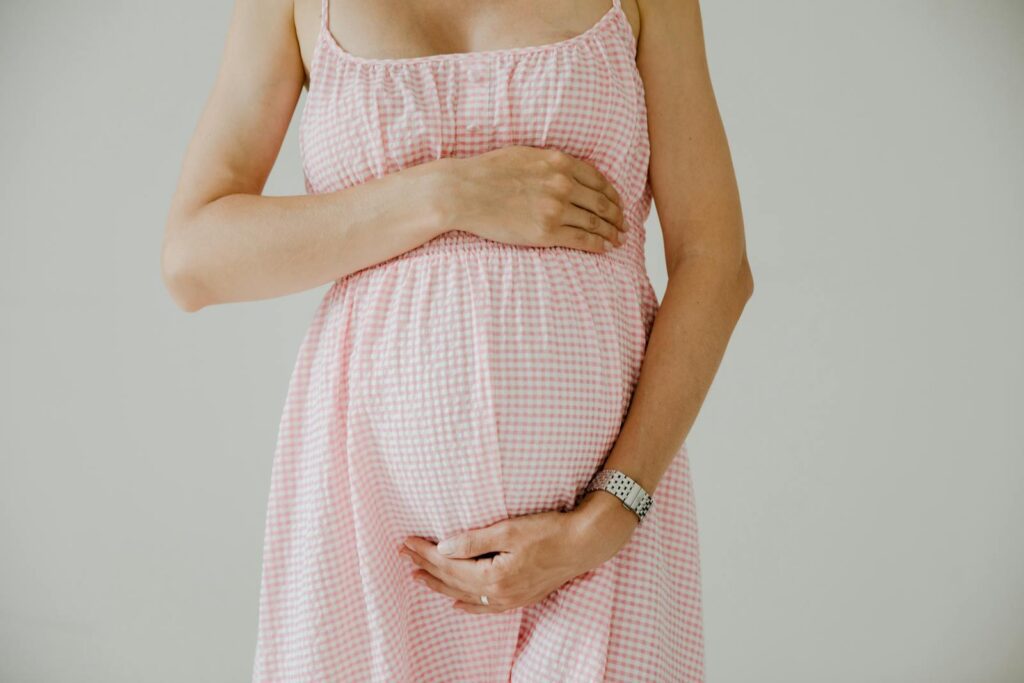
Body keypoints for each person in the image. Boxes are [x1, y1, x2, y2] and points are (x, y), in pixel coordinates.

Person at [161, 0, 752, 680]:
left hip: (602, 540)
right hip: (372, 529)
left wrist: (608, 517)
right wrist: (450, 193)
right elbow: (194, 258)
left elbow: (716, 260)